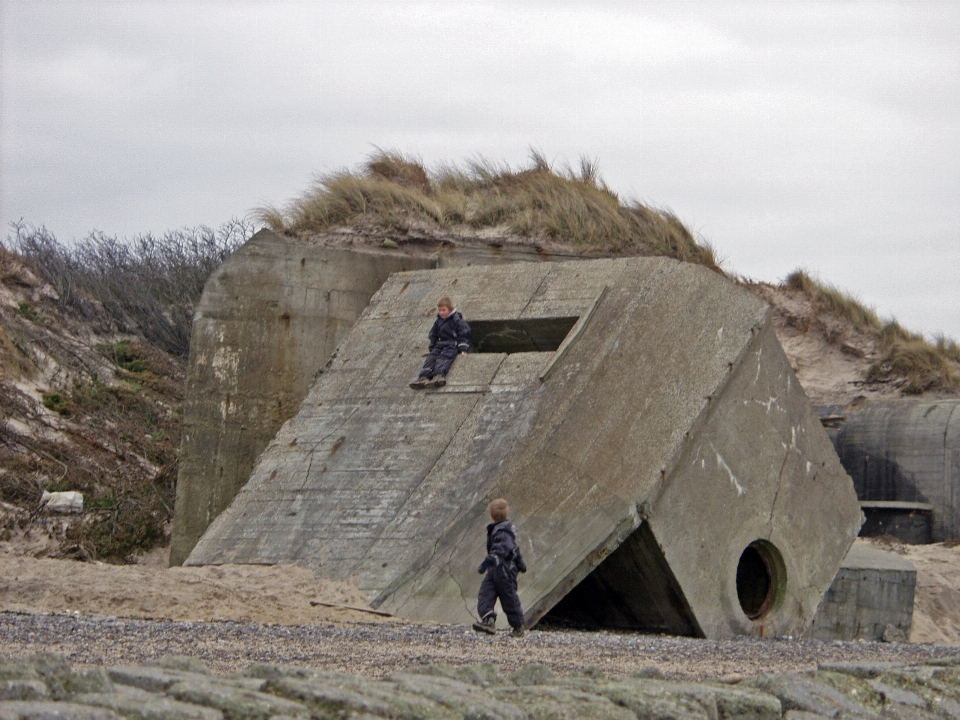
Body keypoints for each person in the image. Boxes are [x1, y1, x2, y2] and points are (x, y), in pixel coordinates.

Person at [472, 498, 527, 637]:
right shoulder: (501, 530)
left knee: (509, 598)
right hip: (495, 569)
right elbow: (515, 549)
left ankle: (518, 626)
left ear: (491, 516)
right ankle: (488, 620)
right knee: (486, 594)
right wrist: (521, 564)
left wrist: (485, 563)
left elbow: (501, 550)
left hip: (505, 570)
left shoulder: (503, 532)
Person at [409, 296, 470, 389]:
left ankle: (438, 375)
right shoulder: (438, 321)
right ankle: (424, 376)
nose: (441, 312)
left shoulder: (457, 320)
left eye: (443, 310)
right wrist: (432, 347)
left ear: (449, 310)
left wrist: (463, 348)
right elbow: (433, 334)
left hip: (452, 344)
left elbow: (464, 333)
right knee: (431, 358)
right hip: (440, 344)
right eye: (440, 310)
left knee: (444, 358)